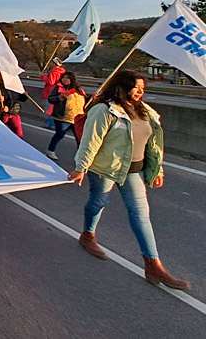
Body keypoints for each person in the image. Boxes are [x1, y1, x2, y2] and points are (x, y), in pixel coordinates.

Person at [68, 70, 191, 291]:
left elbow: (154, 145)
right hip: (105, 169)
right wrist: (81, 168)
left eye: (143, 88)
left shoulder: (146, 111)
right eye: (136, 87)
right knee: (98, 202)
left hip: (134, 171)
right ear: (122, 87)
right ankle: (87, 235)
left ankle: (153, 265)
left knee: (141, 214)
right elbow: (91, 141)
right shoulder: (104, 110)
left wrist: (158, 170)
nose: (140, 91)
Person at [45, 72, 85, 160]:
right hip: (62, 117)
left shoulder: (79, 90)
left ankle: (81, 156)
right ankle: (50, 150)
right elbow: (51, 99)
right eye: (63, 77)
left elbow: (85, 101)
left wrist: (93, 98)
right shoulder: (58, 88)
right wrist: (60, 98)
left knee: (80, 138)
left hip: (77, 117)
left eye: (67, 78)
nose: (65, 79)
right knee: (59, 134)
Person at [41, 57, 66, 129]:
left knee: (49, 109)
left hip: (51, 92)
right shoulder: (62, 72)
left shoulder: (53, 72)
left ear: (54, 64)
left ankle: (50, 124)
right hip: (59, 91)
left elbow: (51, 82)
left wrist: (43, 77)